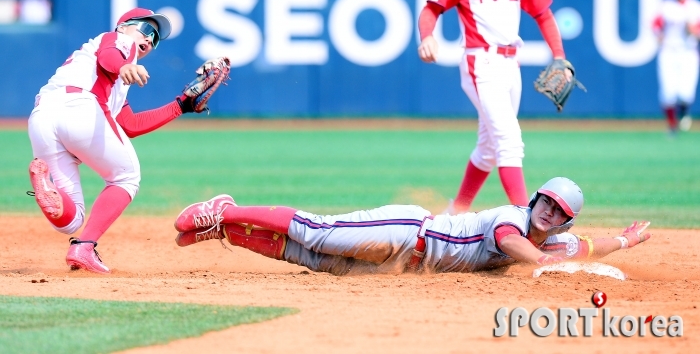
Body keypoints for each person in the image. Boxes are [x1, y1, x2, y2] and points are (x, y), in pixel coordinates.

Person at [417, 0, 573, 213]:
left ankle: (456, 212)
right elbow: (430, 9)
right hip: (480, 61)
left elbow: (543, 14)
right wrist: (427, 36)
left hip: (510, 64)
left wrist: (559, 56)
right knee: (509, 140)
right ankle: (525, 220)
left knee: (489, 148)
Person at [27, 8, 205, 274]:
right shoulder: (116, 41)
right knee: (126, 177)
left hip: (41, 117)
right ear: (124, 26)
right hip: (79, 106)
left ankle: (44, 185)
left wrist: (180, 106)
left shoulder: (115, 82)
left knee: (69, 221)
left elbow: (130, 125)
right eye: (145, 29)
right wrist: (124, 65)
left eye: (155, 39)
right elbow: (111, 54)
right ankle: (84, 247)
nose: (149, 39)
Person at [173, 177, 651, 276]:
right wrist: (546, 263)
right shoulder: (512, 217)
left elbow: (586, 248)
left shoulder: (559, 240)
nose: (548, 212)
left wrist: (626, 240)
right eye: (545, 201)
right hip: (405, 231)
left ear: (567, 218)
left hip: (405, 263)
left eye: (559, 210)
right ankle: (227, 210)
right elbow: (513, 244)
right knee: (315, 232)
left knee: (308, 257)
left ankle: (225, 232)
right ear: (535, 201)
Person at [652, 0, 700, 134]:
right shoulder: (666, 5)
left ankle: (685, 113)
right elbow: (655, 26)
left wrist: (692, 29)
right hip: (669, 51)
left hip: (688, 51)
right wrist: (659, 36)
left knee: (686, 92)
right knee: (668, 91)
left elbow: (697, 32)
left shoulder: (695, 7)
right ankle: (672, 126)